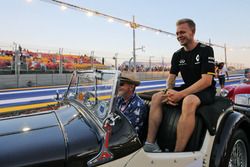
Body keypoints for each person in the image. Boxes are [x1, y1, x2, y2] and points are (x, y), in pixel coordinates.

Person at [143, 18, 216, 152]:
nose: (179, 36)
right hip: (188, 87)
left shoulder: (206, 50)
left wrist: (181, 95)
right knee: (157, 97)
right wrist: (169, 92)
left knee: (188, 101)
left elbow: (207, 81)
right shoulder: (177, 55)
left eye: (182, 32)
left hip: (205, 89)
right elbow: (171, 78)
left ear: (193, 32)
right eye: (177, 33)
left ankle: (177, 152)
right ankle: (150, 143)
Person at [116, 73, 147, 138]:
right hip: (118, 132)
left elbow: (128, 129)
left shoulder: (138, 105)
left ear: (131, 87)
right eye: (117, 83)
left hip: (130, 138)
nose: (118, 86)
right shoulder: (119, 99)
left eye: (121, 84)